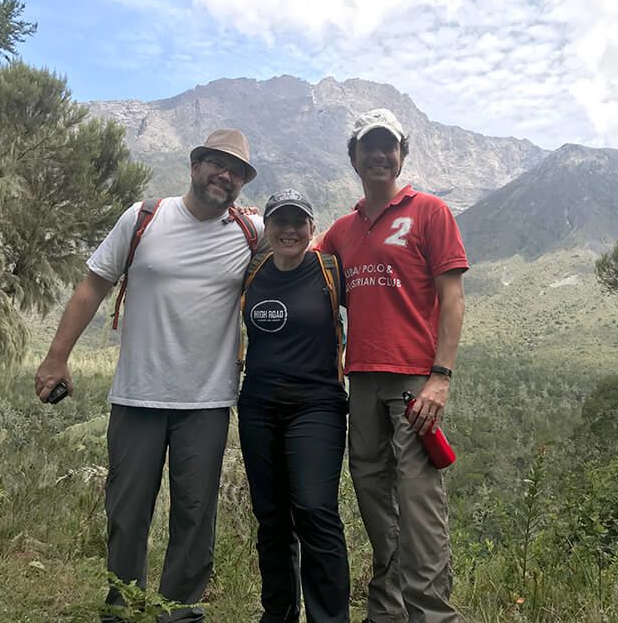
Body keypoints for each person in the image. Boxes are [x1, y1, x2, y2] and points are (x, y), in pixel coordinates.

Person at [34, 129, 264, 623]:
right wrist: (57, 357)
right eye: (216, 164)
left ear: (243, 182)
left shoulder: (251, 231)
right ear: (194, 164)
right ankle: (122, 609)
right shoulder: (144, 218)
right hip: (137, 395)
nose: (225, 176)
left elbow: (302, 244)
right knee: (126, 512)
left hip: (206, 403)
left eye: (237, 171)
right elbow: (93, 286)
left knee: (195, 516)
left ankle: (179, 612)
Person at [318, 109, 467, 623]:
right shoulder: (341, 232)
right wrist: (254, 226)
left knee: (419, 507)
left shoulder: (429, 212)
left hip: (414, 385)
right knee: (374, 500)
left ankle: (431, 615)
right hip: (360, 382)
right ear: (354, 158)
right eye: (369, 147)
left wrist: (440, 378)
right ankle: (386, 612)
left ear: (402, 154)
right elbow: (301, 269)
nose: (379, 155)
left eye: (389, 146)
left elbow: (452, 298)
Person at [238, 189, 350, 623]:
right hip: (258, 404)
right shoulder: (252, 269)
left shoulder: (328, 271)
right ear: (266, 228)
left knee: (315, 509)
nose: (289, 230)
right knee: (270, 515)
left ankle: (328, 618)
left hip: (317, 404)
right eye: (280, 221)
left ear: (311, 229)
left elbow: (380, 302)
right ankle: (279, 613)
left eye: (298, 222)